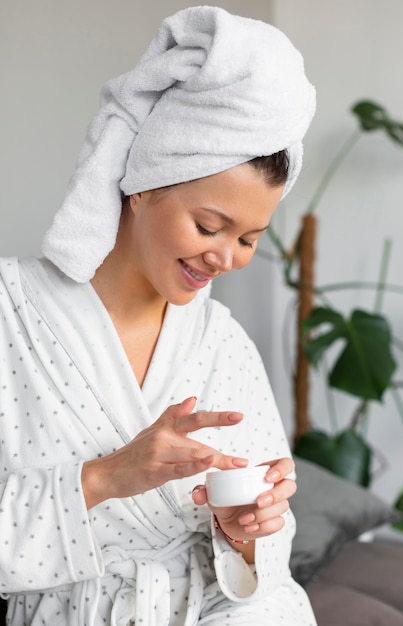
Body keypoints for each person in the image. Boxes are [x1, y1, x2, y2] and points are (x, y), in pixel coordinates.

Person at [0, 6, 317, 625]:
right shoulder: (11, 314)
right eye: (209, 225)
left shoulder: (222, 342)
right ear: (143, 184)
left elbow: (266, 554)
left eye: (249, 239)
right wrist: (106, 477)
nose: (225, 257)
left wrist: (244, 533)